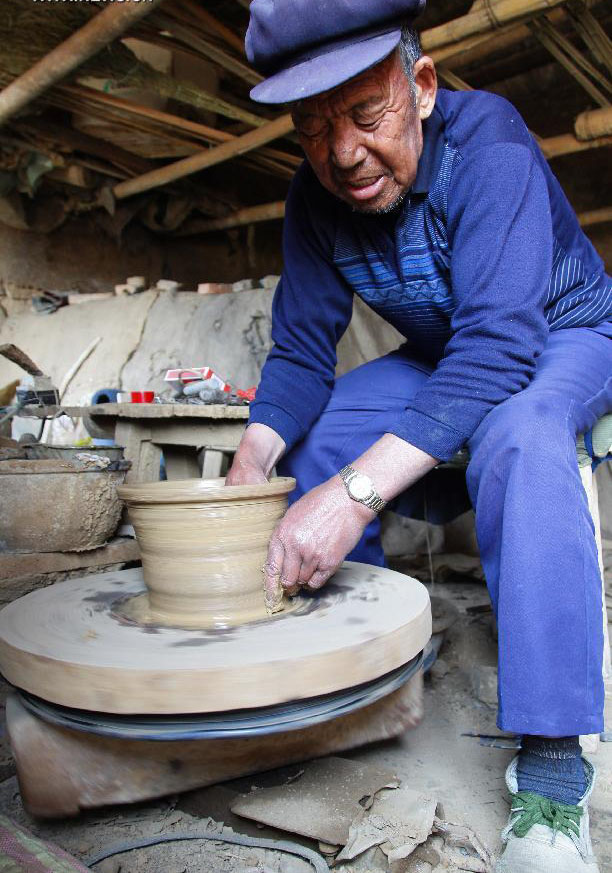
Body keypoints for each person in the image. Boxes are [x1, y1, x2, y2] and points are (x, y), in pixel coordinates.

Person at [226, 2, 612, 870]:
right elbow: (300, 348)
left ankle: (553, 777)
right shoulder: (314, 197)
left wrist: (355, 496)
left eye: (367, 114)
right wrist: (253, 457)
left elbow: (501, 346)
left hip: (563, 334)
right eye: (314, 128)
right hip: (450, 350)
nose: (344, 153)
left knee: (521, 435)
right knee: (318, 438)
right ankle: (371, 664)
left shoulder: (491, 145)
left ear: (424, 87)